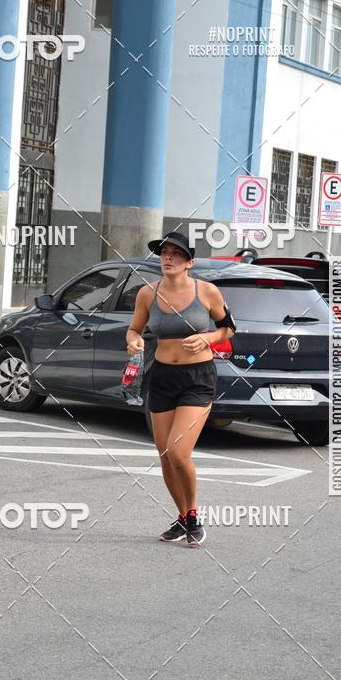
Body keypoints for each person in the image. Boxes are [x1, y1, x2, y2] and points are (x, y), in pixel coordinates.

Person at [126, 231, 236, 547]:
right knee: (164, 456)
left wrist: (208, 338)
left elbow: (229, 327)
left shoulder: (207, 292)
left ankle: (194, 515)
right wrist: (133, 340)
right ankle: (184, 517)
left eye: (176, 253)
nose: (168, 257)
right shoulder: (147, 294)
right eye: (164, 253)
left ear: (189, 262)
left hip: (197, 379)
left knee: (178, 451)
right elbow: (135, 329)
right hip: (161, 377)